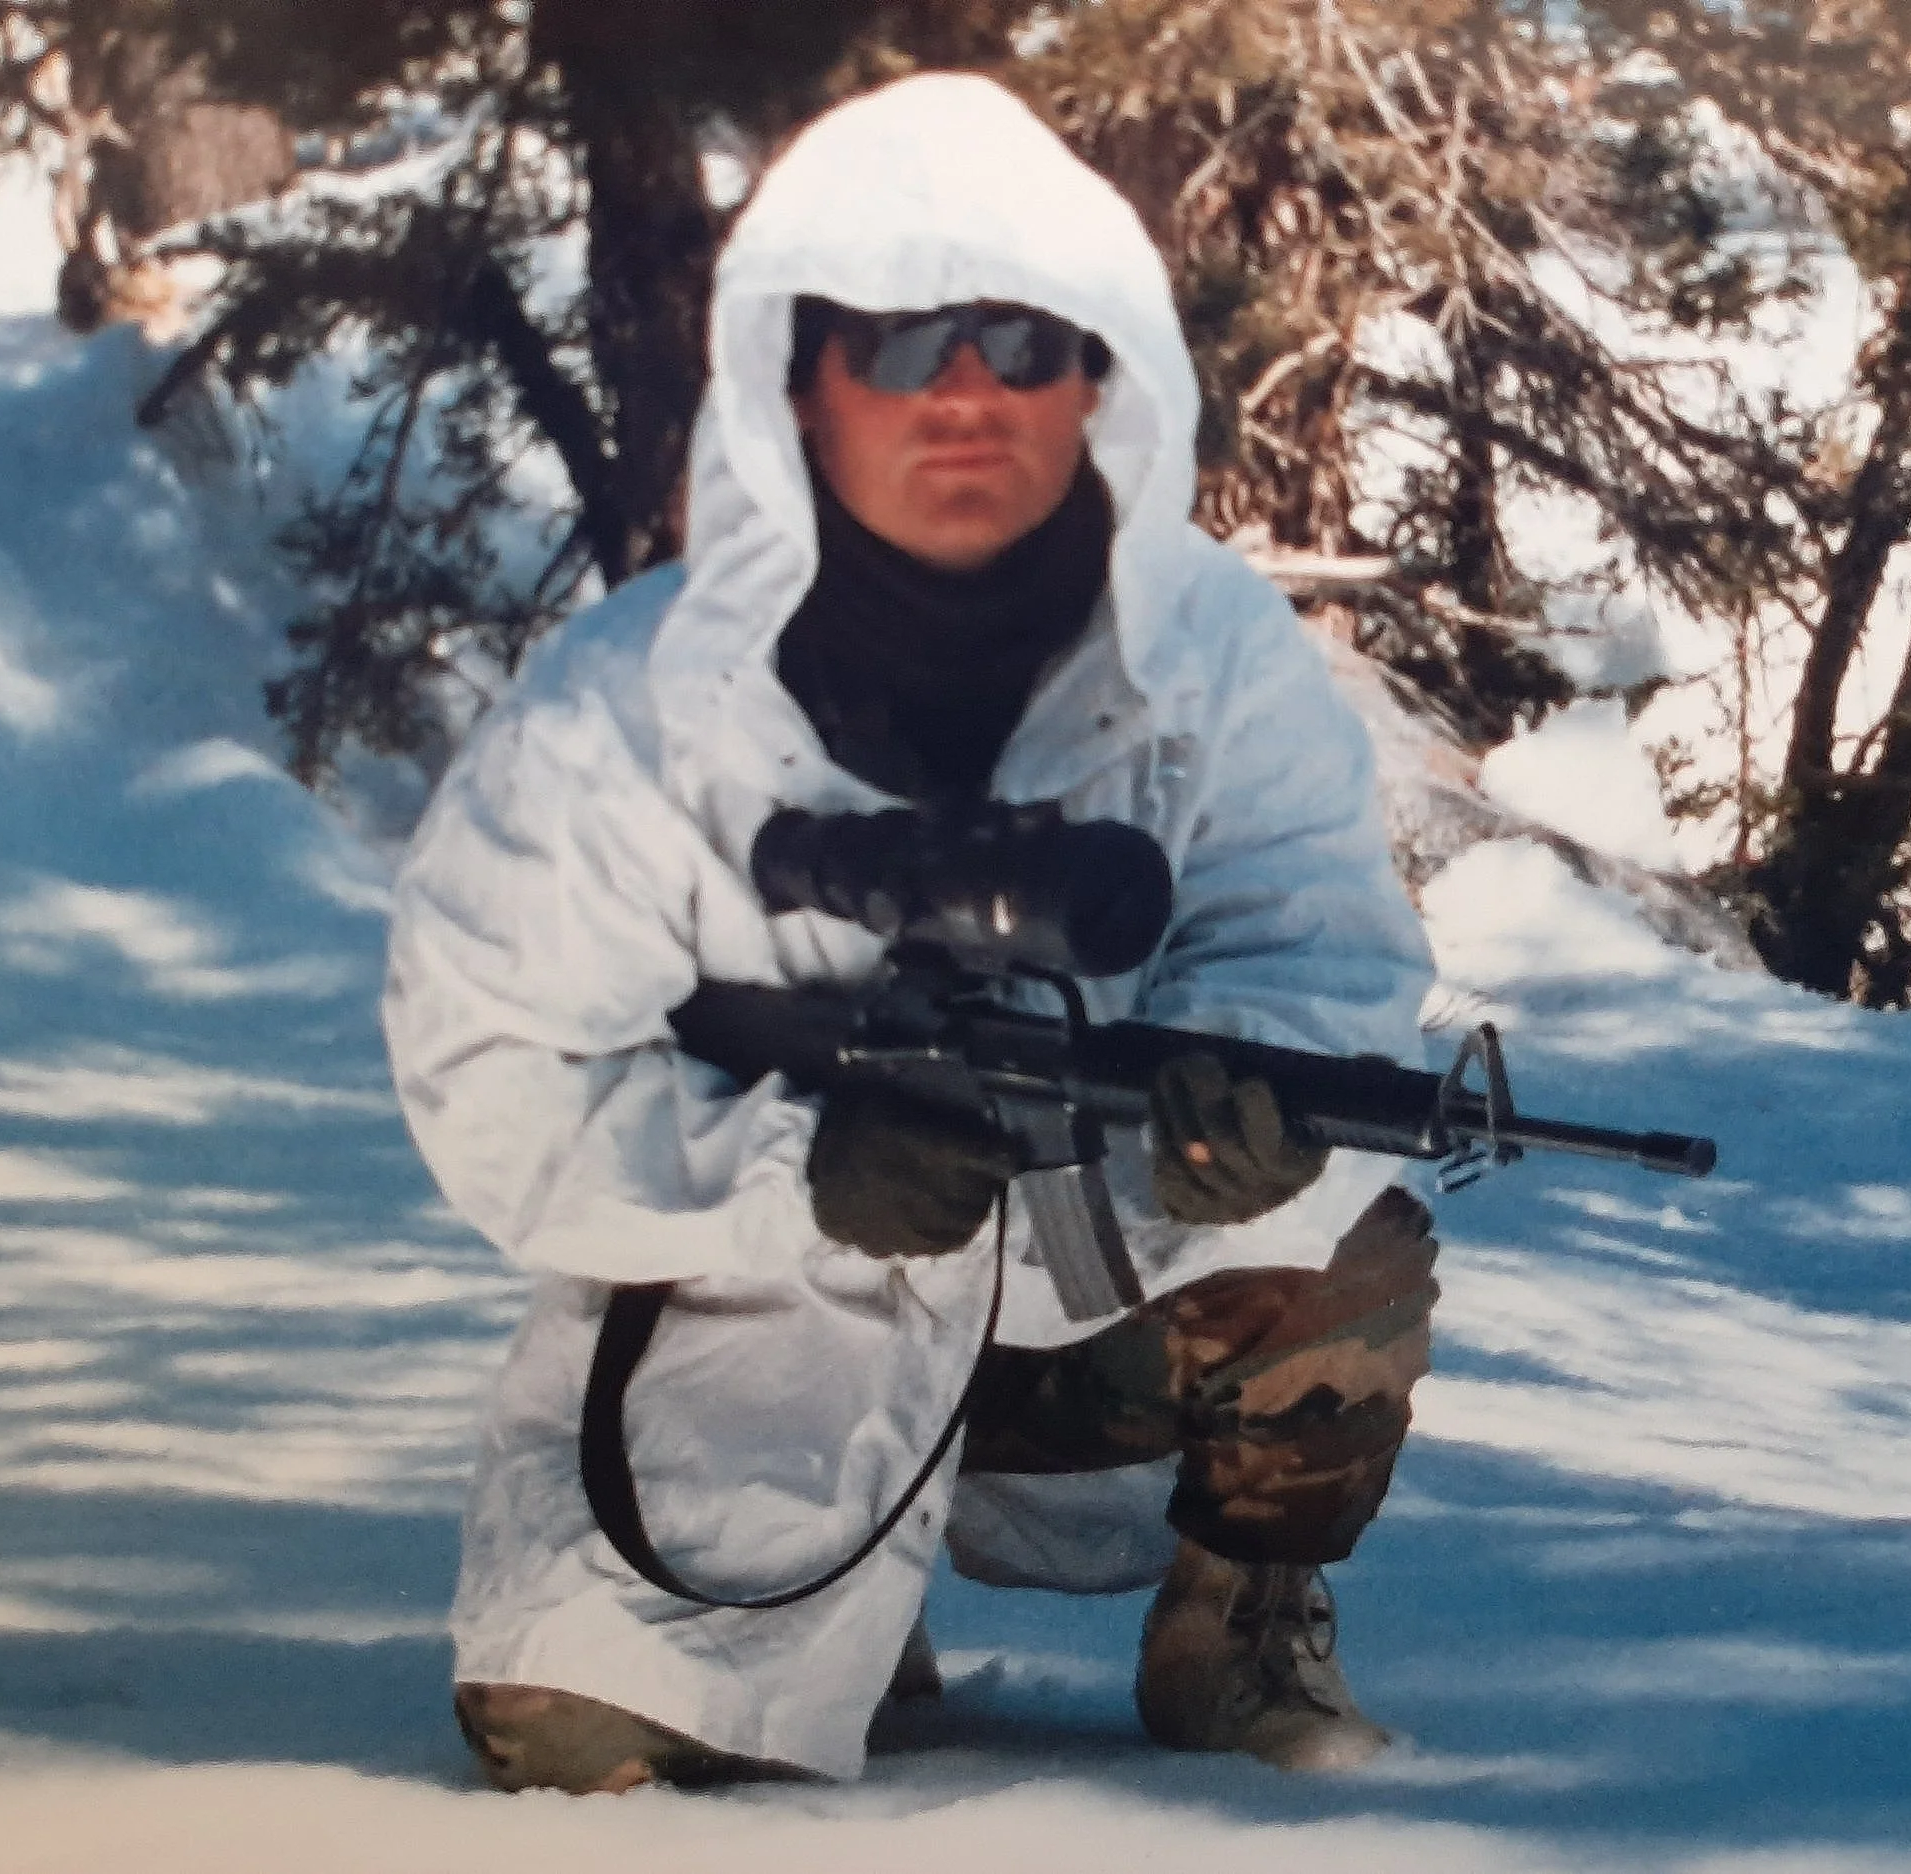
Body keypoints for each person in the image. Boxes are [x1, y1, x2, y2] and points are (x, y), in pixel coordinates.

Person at [382, 71, 1440, 1796]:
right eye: (896, 341)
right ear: (797, 382)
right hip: (756, 1306)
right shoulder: (626, 713)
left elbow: (1319, 950)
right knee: (565, 1747)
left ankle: (1240, 1614)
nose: (965, 393)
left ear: (1099, 376)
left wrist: (1246, 1100)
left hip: (1089, 1279)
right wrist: (793, 1168)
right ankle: (836, 1614)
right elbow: (487, 1066)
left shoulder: (1220, 661)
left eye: (1023, 341)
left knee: (1347, 1229)